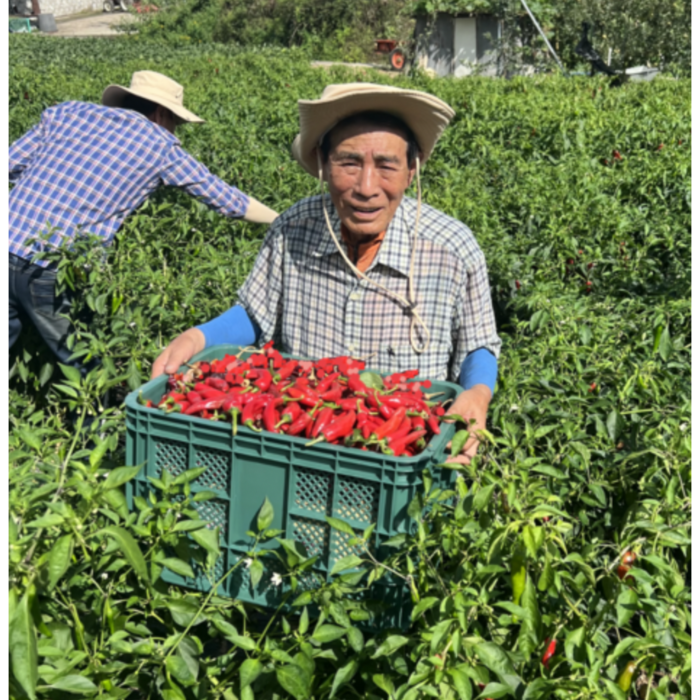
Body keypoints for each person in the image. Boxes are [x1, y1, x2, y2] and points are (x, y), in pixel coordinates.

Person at [153, 83, 501, 461]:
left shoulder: (452, 249)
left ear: (411, 170)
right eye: (348, 163)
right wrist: (197, 337)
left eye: (387, 165)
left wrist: (478, 392)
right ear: (322, 162)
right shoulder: (292, 230)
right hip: (300, 442)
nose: (366, 188)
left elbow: (477, 344)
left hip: (404, 451)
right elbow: (255, 315)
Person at [9, 70, 278, 370]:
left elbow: (10, 164)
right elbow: (228, 201)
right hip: (54, 266)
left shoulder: (67, 112)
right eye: (176, 124)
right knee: (84, 363)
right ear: (162, 113)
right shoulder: (161, 145)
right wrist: (282, 218)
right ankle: (97, 417)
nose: (175, 133)